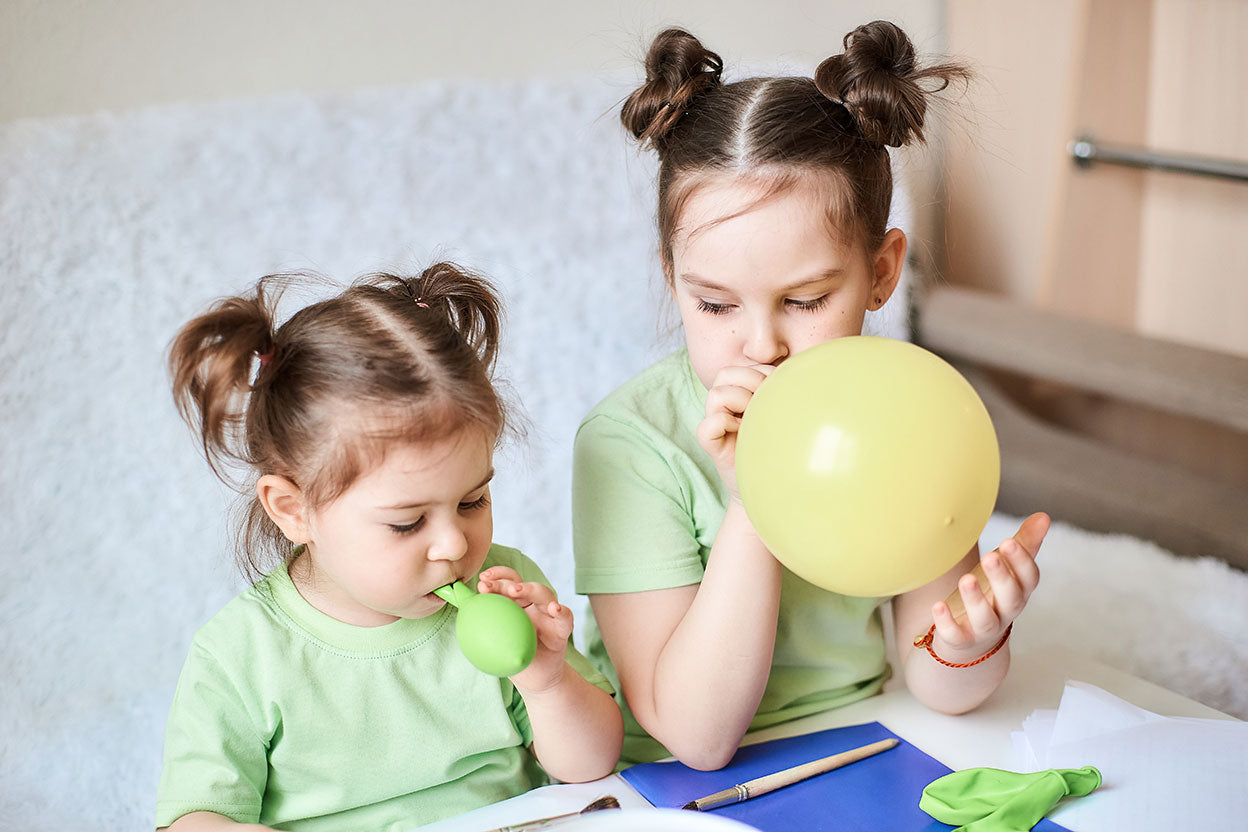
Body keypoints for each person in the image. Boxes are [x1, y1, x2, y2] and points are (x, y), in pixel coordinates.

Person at [572, 21, 1049, 770]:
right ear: (673, 277)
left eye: (804, 302)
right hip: (678, 790)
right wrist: (756, 496)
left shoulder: (905, 415)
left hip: (866, 748)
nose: (761, 346)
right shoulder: (630, 444)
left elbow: (944, 690)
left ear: (882, 271)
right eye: (715, 305)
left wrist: (970, 639)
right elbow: (697, 741)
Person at [156, 264, 623, 831]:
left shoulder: (505, 587)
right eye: (406, 524)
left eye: (473, 501)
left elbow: (593, 767)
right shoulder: (240, 653)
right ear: (294, 510)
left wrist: (546, 682)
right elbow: (194, 819)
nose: (454, 543)